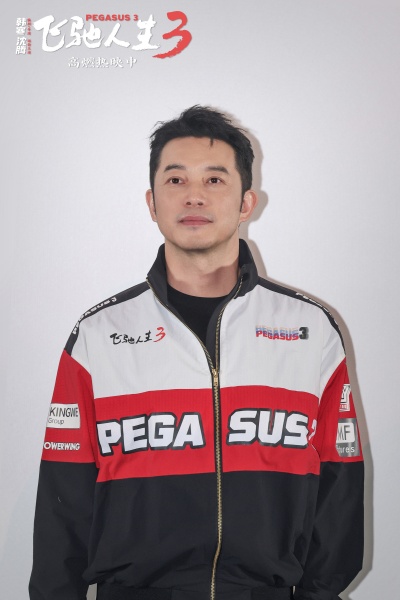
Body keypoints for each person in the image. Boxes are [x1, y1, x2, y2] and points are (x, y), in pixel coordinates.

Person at [29, 106, 364, 600]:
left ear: (246, 202)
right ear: (152, 202)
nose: (194, 195)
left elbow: (340, 484)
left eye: (214, 179)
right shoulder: (98, 335)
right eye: (175, 179)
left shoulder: (311, 328)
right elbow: (64, 499)